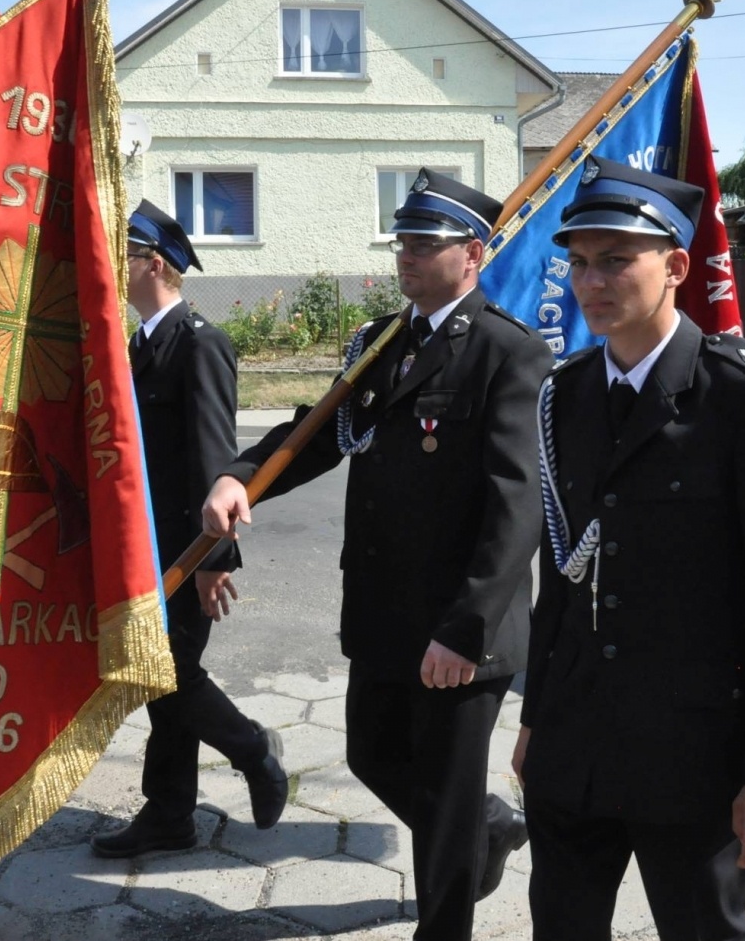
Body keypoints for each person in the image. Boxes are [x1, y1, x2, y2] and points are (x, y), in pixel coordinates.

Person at [202, 169, 551, 941]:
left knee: (444, 793)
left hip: (463, 625)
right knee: (372, 753)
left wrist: (470, 625)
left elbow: (514, 505)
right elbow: (318, 433)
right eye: (403, 241)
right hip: (386, 612)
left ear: (475, 252)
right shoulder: (382, 343)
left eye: (427, 243)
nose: (409, 256)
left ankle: (448, 912)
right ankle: (482, 832)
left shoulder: (507, 353)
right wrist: (239, 475)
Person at [514, 157, 745, 941]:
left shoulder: (744, 391)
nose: (592, 280)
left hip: (692, 749)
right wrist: (536, 715)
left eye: (617, 259)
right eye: (579, 261)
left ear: (677, 265)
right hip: (575, 740)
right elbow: (563, 567)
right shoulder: (567, 391)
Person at [90, 200, 288, 859]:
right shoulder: (143, 344)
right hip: (147, 549)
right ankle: (170, 812)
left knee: (168, 671)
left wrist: (215, 554)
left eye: (125, 253)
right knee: (160, 677)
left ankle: (253, 748)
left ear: (155, 262)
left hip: (185, 548)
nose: (117, 265)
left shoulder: (200, 342)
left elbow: (214, 457)